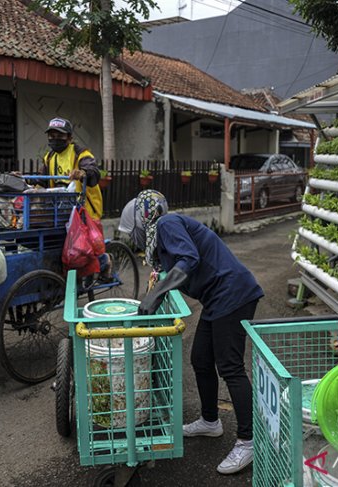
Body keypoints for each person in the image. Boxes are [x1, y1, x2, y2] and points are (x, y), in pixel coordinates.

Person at [118, 190, 264, 475]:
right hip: (217, 299)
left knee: (231, 367)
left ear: (143, 219)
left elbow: (189, 259)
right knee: (200, 358)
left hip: (233, 294)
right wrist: (157, 286)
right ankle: (211, 421)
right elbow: (175, 266)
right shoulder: (162, 240)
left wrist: (156, 294)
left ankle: (249, 441)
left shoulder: (166, 224)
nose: (131, 236)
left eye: (131, 229)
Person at [41, 117, 110, 280]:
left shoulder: (81, 154)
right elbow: (41, 180)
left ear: (70, 138)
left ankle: (104, 260)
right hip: (60, 210)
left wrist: (82, 173)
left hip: (84, 209)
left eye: (59, 136)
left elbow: (94, 172)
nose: (54, 139)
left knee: (84, 248)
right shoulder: (49, 158)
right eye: (51, 135)